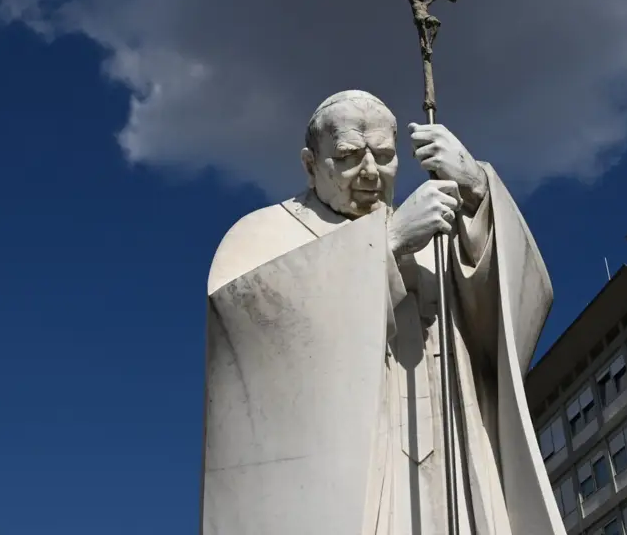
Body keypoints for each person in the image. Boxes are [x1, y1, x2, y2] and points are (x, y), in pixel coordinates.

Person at [201, 90, 564, 535]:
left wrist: (477, 194)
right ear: (310, 164)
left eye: (386, 156)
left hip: (456, 465)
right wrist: (386, 243)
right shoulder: (263, 234)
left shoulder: (437, 230)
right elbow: (253, 334)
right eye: (350, 156)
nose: (371, 172)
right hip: (351, 484)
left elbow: (507, 324)